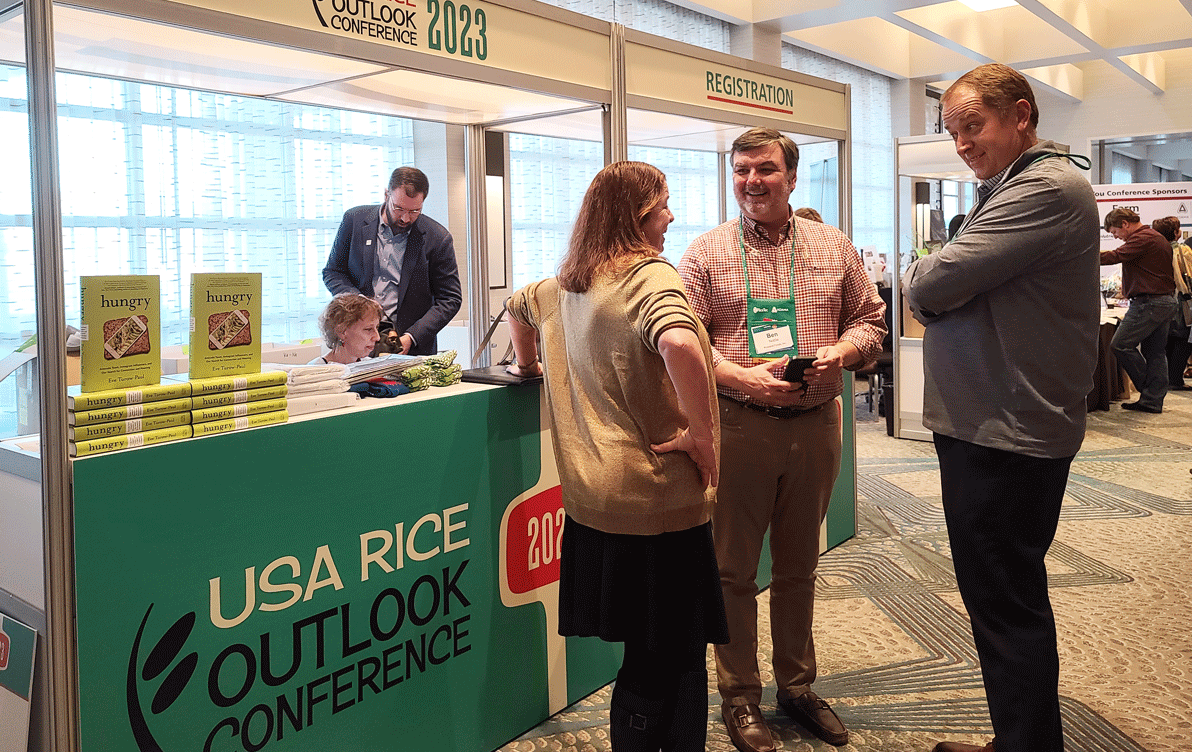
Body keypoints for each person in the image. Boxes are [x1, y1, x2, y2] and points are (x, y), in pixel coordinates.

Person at [902, 63, 1101, 752]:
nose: (961, 142)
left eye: (972, 126)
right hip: (995, 426)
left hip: (1005, 434)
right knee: (1002, 597)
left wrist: (923, 279)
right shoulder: (1010, 187)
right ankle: (1018, 737)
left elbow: (938, 278)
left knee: (1005, 604)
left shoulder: (1044, 186)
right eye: (952, 130)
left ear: (1021, 115)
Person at [504, 161, 728, 752]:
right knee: (669, 655)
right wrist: (703, 435)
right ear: (637, 216)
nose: (671, 217)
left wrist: (528, 368)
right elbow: (680, 342)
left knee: (649, 651)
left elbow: (516, 308)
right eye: (663, 206)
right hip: (657, 500)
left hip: (593, 501)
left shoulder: (566, 284)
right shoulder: (649, 279)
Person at [678, 128, 886, 752]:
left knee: (800, 565)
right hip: (739, 424)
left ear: (792, 178)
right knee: (733, 569)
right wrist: (743, 376)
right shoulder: (707, 252)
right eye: (740, 170)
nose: (751, 181)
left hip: (817, 425)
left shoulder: (833, 245)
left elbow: (871, 320)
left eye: (764, 169)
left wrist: (840, 353)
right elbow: (684, 343)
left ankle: (797, 687)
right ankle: (739, 697)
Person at [323, 166, 462, 356]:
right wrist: (359, 302)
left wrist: (412, 337)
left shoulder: (437, 238)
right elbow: (333, 272)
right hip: (356, 343)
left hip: (410, 346)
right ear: (386, 195)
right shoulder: (354, 220)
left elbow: (450, 299)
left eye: (415, 211)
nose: (405, 218)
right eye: (399, 208)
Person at [1101, 207, 1177, 413]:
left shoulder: (1143, 238)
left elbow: (1113, 256)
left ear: (1125, 224)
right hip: (1161, 302)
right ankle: (1151, 400)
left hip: (1149, 303)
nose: (1116, 237)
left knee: (1120, 345)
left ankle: (1151, 390)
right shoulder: (1154, 237)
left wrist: (1080, 256)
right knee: (1155, 353)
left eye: (1115, 232)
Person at [1152, 216, 1192, 390]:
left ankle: (1166, 378)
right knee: (1183, 338)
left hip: (1159, 298)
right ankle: (1175, 379)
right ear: (1176, 233)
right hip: (1182, 299)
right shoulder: (1184, 251)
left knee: (1166, 338)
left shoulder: (1154, 251)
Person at [312, 293, 382, 364]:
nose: (377, 337)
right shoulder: (315, 370)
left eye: (377, 327)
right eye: (368, 329)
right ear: (341, 331)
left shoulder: (370, 365)